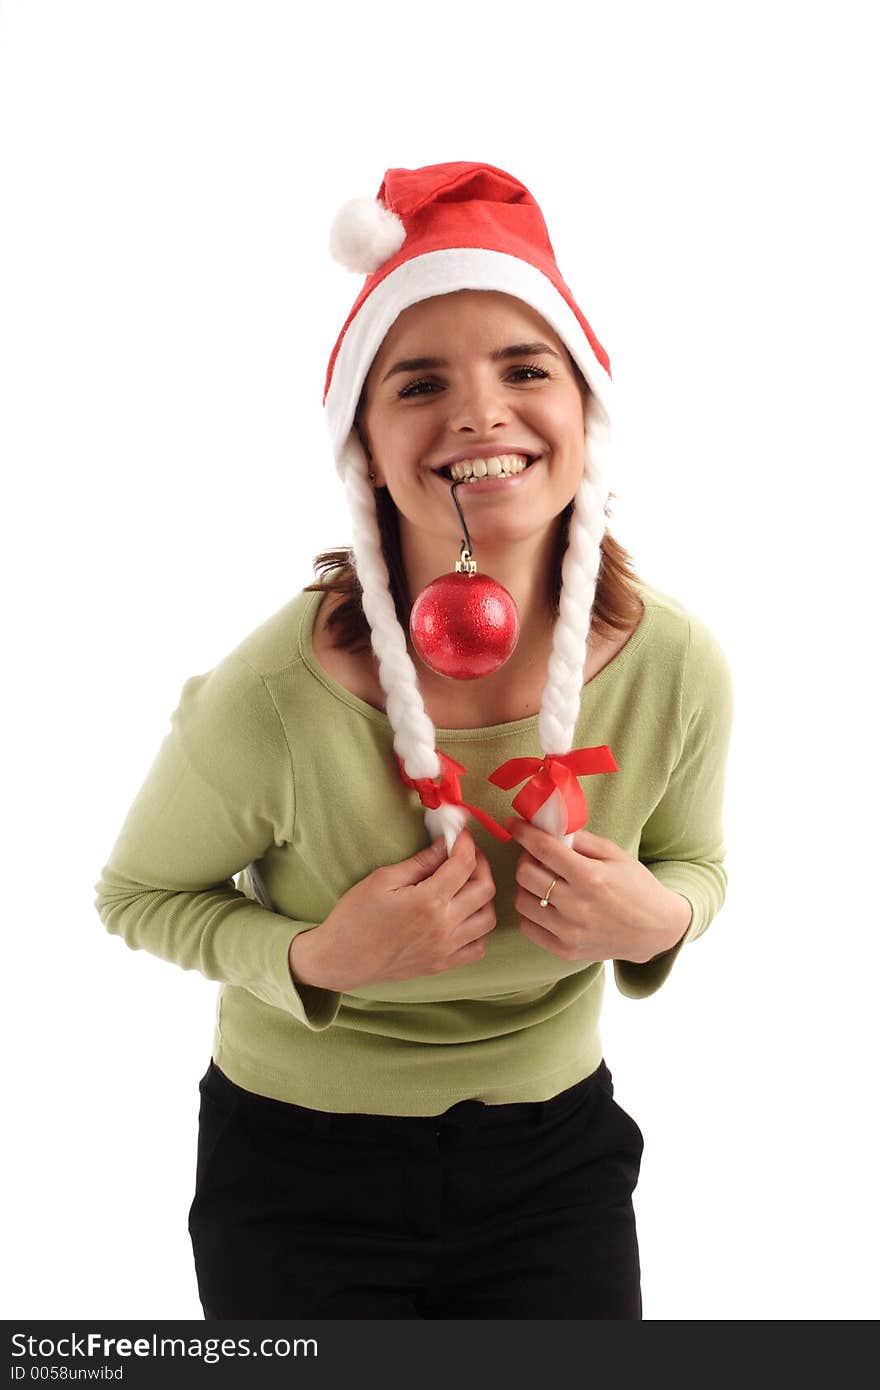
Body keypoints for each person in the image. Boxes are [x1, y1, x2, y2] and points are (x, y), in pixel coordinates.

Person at [93, 161, 734, 1320]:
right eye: (419, 382)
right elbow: (137, 895)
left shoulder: (674, 662)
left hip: (557, 1164)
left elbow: (699, 862)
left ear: (583, 411)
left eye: (525, 368)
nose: (480, 412)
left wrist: (663, 917)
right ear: (367, 454)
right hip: (295, 1171)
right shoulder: (276, 693)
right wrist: (313, 959)